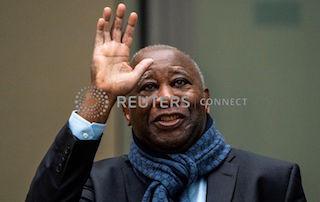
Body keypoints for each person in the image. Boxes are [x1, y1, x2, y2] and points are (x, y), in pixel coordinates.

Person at [26, 3, 306, 202]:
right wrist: (102, 94)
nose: (166, 97)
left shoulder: (272, 182)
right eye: (148, 87)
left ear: (205, 101)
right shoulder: (96, 184)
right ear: (126, 110)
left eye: (180, 83)